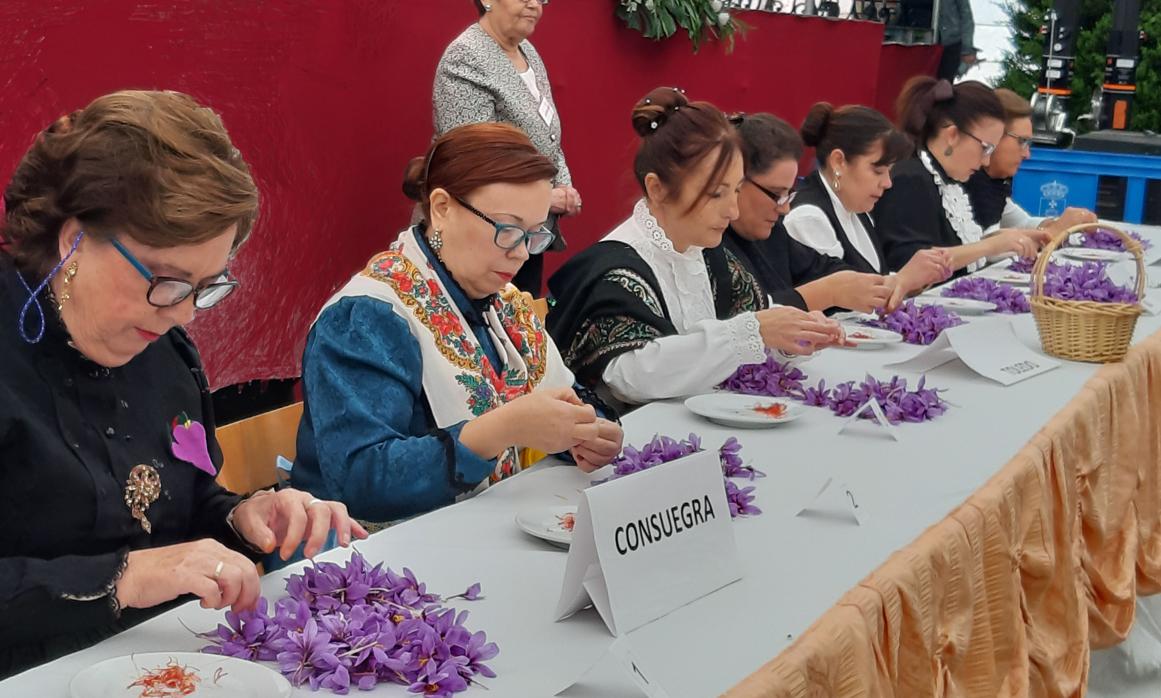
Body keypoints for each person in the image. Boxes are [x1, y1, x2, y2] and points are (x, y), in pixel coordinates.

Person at [0, 91, 366, 678]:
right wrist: (123, 577)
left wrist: (244, 516)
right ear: (73, 241)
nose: (187, 313)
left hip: (163, 665)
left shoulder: (162, 348)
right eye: (168, 280)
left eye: (207, 285)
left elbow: (180, 504)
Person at [292, 123, 622, 524]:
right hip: (374, 555)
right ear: (442, 208)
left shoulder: (500, 305)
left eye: (536, 235)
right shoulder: (367, 319)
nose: (521, 255)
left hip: (485, 524)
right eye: (507, 230)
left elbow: (566, 395)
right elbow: (361, 482)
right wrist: (499, 430)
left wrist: (590, 433)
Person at [546, 87, 846, 415]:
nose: (732, 211)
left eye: (736, 191)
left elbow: (754, 320)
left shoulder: (707, 253)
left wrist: (797, 331)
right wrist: (753, 332)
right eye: (717, 194)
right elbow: (631, 376)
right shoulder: (615, 268)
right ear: (657, 189)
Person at [433, 0, 578, 295]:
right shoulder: (466, 56)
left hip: (527, 237)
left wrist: (564, 184)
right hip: (482, 241)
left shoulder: (529, 54)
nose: (533, 4)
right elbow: (472, 161)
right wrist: (546, 198)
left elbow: (547, 136)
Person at [766, 104, 951, 308]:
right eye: (878, 171)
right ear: (839, 162)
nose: (888, 183)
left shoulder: (855, 209)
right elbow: (840, 300)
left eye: (889, 171)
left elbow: (871, 278)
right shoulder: (809, 216)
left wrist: (911, 280)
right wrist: (903, 280)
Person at [872, 78, 1050, 277]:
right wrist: (989, 246)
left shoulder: (945, 181)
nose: (986, 162)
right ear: (953, 135)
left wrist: (1003, 240)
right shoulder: (909, 179)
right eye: (985, 148)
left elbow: (953, 252)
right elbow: (909, 264)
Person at [964, 88, 1097, 235]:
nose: (1027, 154)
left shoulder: (992, 185)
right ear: (993, 136)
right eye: (1022, 141)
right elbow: (987, 250)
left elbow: (1022, 223)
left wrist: (1062, 223)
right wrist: (1054, 231)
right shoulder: (970, 183)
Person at [937, 0, 977, 82]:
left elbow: (966, 17)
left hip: (950, 45)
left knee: (944, 85)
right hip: (921, 42)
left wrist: (966, 50)